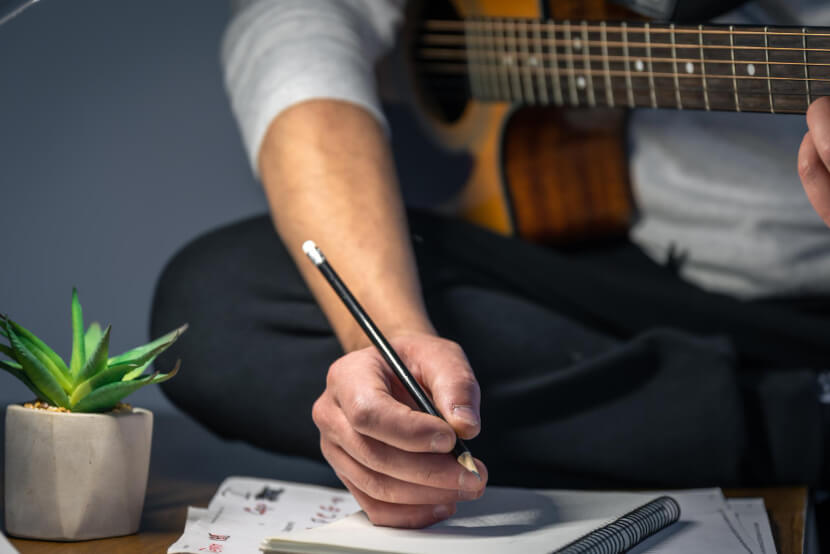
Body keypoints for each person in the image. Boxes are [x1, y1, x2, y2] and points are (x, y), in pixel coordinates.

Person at [152, 0, 830, 529]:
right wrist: (393, 345)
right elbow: (300, 21)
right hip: (608, 259)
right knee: (214, 304)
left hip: (811, 293)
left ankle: (786, 423)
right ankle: (779, 424)